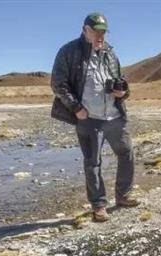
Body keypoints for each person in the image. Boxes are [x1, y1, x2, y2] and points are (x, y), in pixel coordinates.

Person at [50, 12, 139, 222]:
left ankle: (123, 196)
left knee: (126, 153)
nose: (100, 36)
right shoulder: (69, 51)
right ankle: (99, 205)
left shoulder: (110, 54)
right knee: (93, 162)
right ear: (84, 30)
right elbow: (58, 83)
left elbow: (122, 81)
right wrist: (76, 108)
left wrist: (123, 92)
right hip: (88, 118)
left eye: (103, 32)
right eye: (95, 31)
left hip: (114, 116)